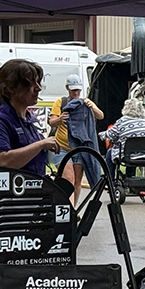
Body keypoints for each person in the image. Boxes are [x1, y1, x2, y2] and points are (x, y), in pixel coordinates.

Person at [0, 58, 59, 175]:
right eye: (31, 83)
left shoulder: (28, 119)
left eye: (38, 82)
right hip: (10, 192)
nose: (38, 88)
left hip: (33, 190)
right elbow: (3, 161)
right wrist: (40, 145)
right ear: (11, 88)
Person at [48, 74, 103, 205]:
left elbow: (100, 116)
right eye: (73, 90)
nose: (76, 93)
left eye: (78, 90)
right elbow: (51, 122)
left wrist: (92, 107)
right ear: (67, 88)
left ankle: (73, 208)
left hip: (78, 147)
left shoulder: (85, 102)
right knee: (68, 178)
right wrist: (60, 119)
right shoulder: (61, 102)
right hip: (61, 148)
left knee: (77, 181)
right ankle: (69, 211)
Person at [99, 97, 145, 175]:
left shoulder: (122, 121)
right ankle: (130, 176)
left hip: (128, 154)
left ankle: (110, 179)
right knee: (133, 150)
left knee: (110, 153)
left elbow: (110, 135)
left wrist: (100, 134)